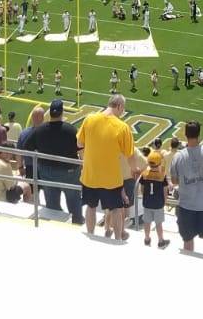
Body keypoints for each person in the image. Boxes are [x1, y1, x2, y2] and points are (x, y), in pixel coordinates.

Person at [77, 92, 133, 240]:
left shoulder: (90, 119)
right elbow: (128, 153)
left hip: (90, 174)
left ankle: (90, 235)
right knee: (115, 209)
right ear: (119, 106)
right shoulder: (122, 127)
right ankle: (117, 239)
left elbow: (79, 143)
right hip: (111, 177)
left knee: (91, 207)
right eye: (123, 108)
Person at [22, 97, 84, 223]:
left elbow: (27, 146)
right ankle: (77, 221)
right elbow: (80, 148)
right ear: (62, 113)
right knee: (74, 201)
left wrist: (40, 154)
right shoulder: (71, 130)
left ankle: (56, 223)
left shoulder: (40, 130)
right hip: (69, 171)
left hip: (47, 170)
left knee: (52, 204)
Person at [169, 120, 203, 254]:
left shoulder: (179, 156)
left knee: (188, 240)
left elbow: (174, 181)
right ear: (199, 135)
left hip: (187, 207)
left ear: (185, 135)